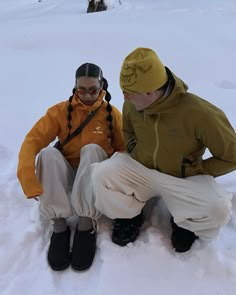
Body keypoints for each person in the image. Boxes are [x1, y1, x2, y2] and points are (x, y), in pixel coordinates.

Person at [92, 47, 236, 252]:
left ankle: (185, 222)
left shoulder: (200, 113)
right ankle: (129, 215)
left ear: (150, 91)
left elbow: (231, 156)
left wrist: (197, 169)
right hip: (142, 171)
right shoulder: (132, 106)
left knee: (218, 210)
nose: (124, 98)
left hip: (182, 179)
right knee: (101, 175)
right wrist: (136, 151)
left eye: (129, 93)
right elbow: (129, 132)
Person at [17, 63, 125, 271]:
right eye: (81, 90)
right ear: (74, 88)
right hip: (69, 173)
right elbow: (32, 141)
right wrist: (28, 177)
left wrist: (114, 175)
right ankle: (58, 224)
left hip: (94, 176)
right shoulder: (59, 112)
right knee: (48, 153)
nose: (86, 95)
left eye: (92, 90)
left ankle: (86, 222)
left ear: (102, 86)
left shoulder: (112, 115)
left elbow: (123, 150)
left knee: (93, 149)